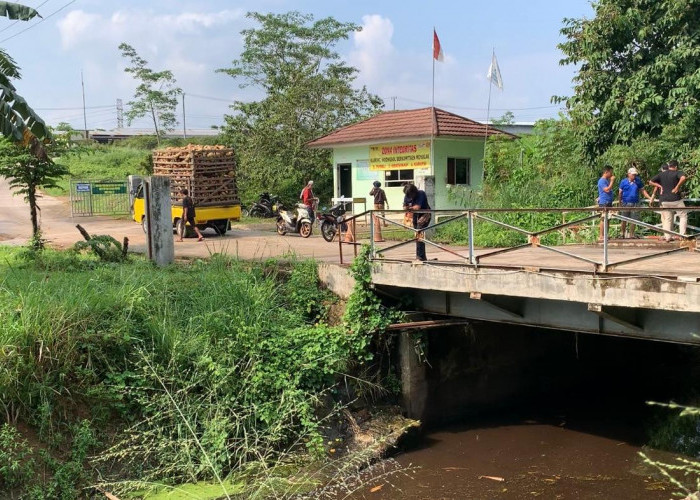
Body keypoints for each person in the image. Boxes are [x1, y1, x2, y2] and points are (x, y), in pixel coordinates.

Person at [649, 159, 688, 241]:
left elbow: (650, 182)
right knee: (683, 215)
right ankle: (682, 235)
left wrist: (660, 186)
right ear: (676, 167)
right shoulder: (677, 172)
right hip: (675, 199)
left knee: (667, 219)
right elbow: (683, 178)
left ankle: (667, 237)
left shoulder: (661, 174)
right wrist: (677, 187)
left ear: (669, 166)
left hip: (664, 200)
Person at [617, 165, 651, 238]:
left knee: (633, 219)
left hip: (635, 203)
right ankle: (622, 234)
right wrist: (620, 203)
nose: (634, 176)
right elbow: (620, 193)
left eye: (635, 174)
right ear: (628, 174)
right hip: (625, 203)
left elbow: (643, 191)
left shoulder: (638, 181)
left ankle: (631, 234)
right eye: (633, 174)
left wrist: (649, 198)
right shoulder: (623, 182)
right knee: (624, 219)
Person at [404, 184, 431, 261]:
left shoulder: (421, 193)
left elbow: (417, 207)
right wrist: (409, 208)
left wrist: (409, 207)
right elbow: (404, 207)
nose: (409, 196)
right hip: (415, 216)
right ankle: (422, 257)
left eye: (410, 195)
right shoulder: (407, 195)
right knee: (417, 235)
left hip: (424, 215)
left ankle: (419, 256)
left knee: (419, 233)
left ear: (414, 192)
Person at [597, 165, 615, 241]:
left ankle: (605, 235)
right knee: (603, 218)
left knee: (608, 219)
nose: (611, 174)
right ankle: (601, 236)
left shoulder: (606, 181)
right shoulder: (601, 181)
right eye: (610, 172)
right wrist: (612, 181)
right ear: (606, 172)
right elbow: (606, 190)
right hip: (604, 202)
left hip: (608, 201)